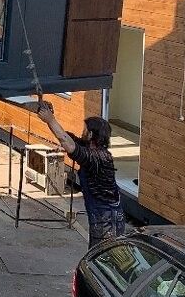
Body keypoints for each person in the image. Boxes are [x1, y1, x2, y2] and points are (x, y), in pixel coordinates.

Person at [36, 102, 125, 248]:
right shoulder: (90, 148)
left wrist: (51, 120)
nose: (82, 132)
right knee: (98, 252)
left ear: (91, 134)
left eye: (85, 130)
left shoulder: (98, 157)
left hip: (108, 219)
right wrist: (50, 118)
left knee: (102, 254)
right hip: (101, 215)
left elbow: (69, 144)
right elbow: (66, 138)